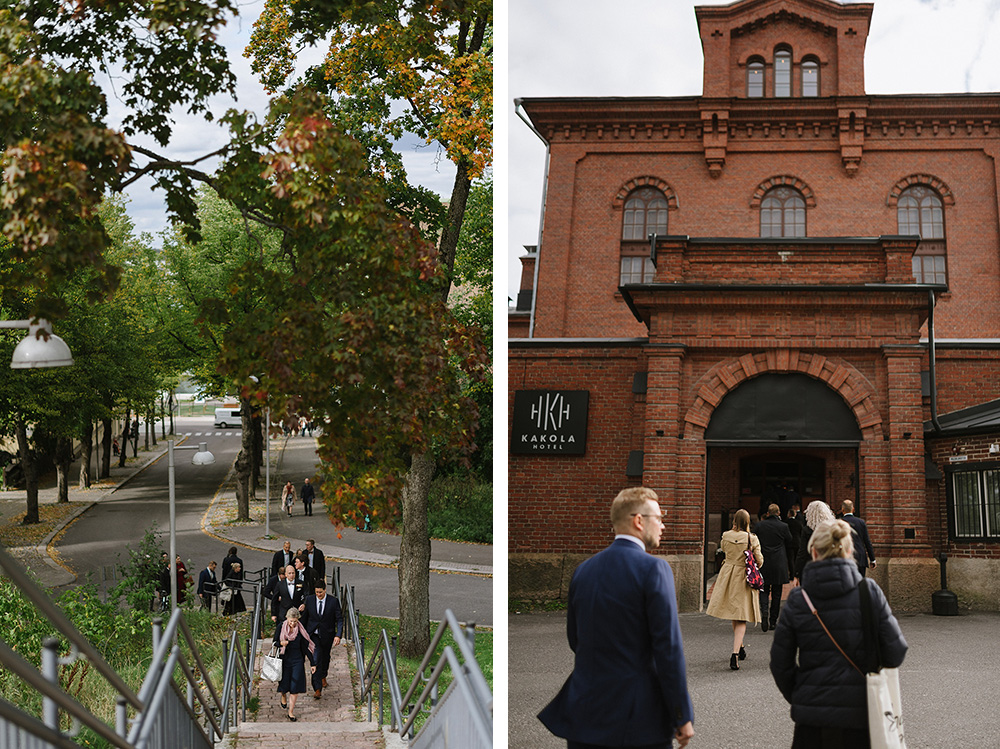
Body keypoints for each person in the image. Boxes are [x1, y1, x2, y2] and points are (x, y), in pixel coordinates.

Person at [538, 487, 694, 748]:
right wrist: (681, 715)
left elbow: (575, 639)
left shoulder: (583, 570)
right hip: (637, 718)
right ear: (638, 520)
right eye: (659, 517)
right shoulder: (654, 569)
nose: (663, 526)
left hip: (584, 712)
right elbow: (668, 650)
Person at [770, 519, 908, 747]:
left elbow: (779, 663)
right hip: (863, 715)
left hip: (812, 720)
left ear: (814, 552)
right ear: (850, 551)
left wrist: (802, 694)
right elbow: (896, 651)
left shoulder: (798, 599)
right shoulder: (869, 591)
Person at [706, 508, 762, 670]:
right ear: (747, 522)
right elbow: (759, 559)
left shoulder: (726, 535)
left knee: (734, 612)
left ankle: (741, 647)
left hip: (728, 575)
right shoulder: (752, 539)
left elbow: (724, 550)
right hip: (744, 576)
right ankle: (735, 653)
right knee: (741, 616)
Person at [755, 503, 794, 632]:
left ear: (767, 513)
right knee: (777, 593)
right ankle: (773, 621)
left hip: (764, 561)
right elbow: (790, 541)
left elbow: (754, 541)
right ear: (778, 513)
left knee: (764, 590)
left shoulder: (760, 526)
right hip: (779, 562)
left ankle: (764, 611)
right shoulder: (784, 526)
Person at [302, 582, 343, 698]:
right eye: (316, 592)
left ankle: (323, 674)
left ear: (325, 590)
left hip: (327, 635)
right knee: (316, 659)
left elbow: (339, 619)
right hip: (313, 635)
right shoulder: (309, 600)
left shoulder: (333, 601)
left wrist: (338, 635)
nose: (318, 595)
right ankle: (317, 688)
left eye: (320, 592)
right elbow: (305, 618)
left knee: (325, 657)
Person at [274, 608, 316, 722]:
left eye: (295, 621)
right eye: (291, 621)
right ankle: (283, 695)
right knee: (284, 683)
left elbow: (306, 647)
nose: (293, 623)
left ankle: (291, 712)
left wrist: (313, 663)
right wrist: (281, 643)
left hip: (297, 660)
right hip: (284, 659)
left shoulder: (300, 630)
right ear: (287, 618)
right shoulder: (281, 627)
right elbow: (275, 642)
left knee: (295, 686)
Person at [794, 501, 835, 582]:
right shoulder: (831, 528)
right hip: (828, 566)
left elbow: (802, 553)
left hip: (810, 566)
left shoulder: (807, 530)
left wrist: (797, 573)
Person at [840, 499, 876, 577]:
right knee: (860, 584)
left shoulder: (839, 522)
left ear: (842, 510)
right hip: (860, 557)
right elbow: (867, 542)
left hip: (845, 557)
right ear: (853, 509)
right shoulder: (861, 522)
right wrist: (872, 559)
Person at [272, 564, 305, 632]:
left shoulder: (301, 583)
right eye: (289, 573)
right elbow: (274, 599)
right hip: (284, 613)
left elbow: (307, 595)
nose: (291, 575)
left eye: (293, 573)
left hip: (297, 612)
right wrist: (273, 614)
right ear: (286, 574)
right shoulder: (280, 584)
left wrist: (304, 604)